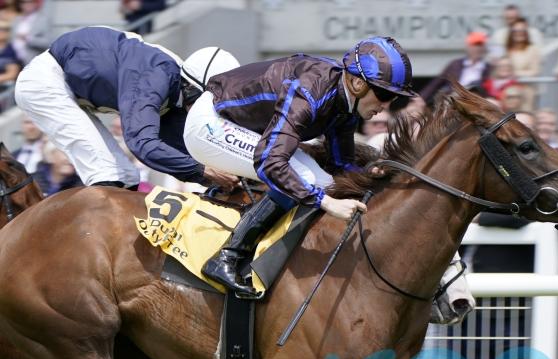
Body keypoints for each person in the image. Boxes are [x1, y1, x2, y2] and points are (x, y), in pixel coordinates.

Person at [184, 36, 417, 295]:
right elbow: (270, 161)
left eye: (394, 98)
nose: (386, 106)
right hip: (210, 123)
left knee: (324, 181)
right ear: (357, 83)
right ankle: (226, 257)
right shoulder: (310, 91)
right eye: (384, 94)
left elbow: (340, 165)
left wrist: (367, 173)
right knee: (305, 178)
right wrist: (326, 202)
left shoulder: (346, 105)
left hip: (242, 125)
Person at [14, 26, 237, 191]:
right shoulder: (154, 78)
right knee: (109, 172)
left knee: (128, 176)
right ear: (191, 88)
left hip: (70, 82)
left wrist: (224, 173)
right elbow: (143, 143)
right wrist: (203, 172)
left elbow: (191, 149)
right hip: (44, 82)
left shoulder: (176, 88)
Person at [420, 31, 492, 103]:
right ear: (467, 47)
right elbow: (435, 84)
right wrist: (421, 99)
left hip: (477, 102)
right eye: (474, 45)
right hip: (454, 101)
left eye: (480, 45)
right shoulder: (455, 65)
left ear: (484, 48)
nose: (477, 48)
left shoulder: (489, 68)